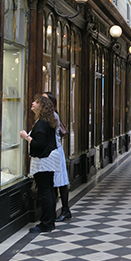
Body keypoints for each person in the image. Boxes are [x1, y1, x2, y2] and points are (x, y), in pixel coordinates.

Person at [20, 94, 60, 233]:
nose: (32, 103)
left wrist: (27, 137)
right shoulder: (46, 121)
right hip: (49, 159)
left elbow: (40, 144)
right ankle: (49, 222)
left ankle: (46, 224)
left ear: (41, 106)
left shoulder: (41, 123)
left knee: (45, 192)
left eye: (36, 102)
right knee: (48, 190)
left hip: (44, 160)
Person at [44, 92, 72, 222]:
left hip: (55, 151)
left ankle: (65, 209)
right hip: (53, 151)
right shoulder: (49, 115)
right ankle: (55, 210)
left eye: (44, 99)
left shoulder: (52, 116)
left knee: (60, 181)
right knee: (56, 182)